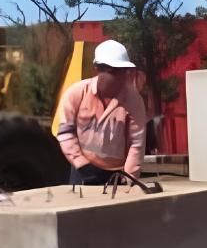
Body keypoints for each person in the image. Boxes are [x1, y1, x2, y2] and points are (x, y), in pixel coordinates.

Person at [56, 39, 148, 187]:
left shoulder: (134, 100)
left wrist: (129, 179)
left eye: (123, 71)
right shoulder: (76, 93)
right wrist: (81, 164)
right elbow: (66, 133)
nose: (120, 77)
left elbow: (136, 143)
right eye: (114, 72)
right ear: (97, 69)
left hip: (117, 174)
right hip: (82, 171)